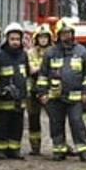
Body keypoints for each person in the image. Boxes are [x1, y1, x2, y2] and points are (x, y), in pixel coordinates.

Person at [39, 20, 86, 161]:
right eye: (63, 33)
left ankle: (84, 150)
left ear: (73, 34)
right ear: (58, 35)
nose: (66, 36)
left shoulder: (82, 51)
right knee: (56, 124)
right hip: (55, 97)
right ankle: (59, 149)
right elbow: (43, 75)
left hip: (75, 98)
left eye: (68, 33)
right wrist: (42, 93)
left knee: (76, 122)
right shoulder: (50, 53)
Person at [0, 23, 30, 159]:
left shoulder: (23, 55)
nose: (15, 42)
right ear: (6, 39)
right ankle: (0, 149)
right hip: (3, 99)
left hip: (19, 99)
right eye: (12, 39)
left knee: (17, 125)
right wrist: (0, 92)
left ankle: (14, 149)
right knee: (2, 124)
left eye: (17, 39)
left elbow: (26, 74)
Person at [24, 25, 52, 156]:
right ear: (36, 39)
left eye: (46, 37)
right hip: (33, 91)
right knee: (33, 119)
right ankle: (35, 147)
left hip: (49, 91)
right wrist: (45, 69)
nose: (43, 39)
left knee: (55, 118)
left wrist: (40, 69)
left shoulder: (53, 52)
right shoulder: (30, 53)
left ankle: (59, 144)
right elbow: (31, 71)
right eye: (41, 37)